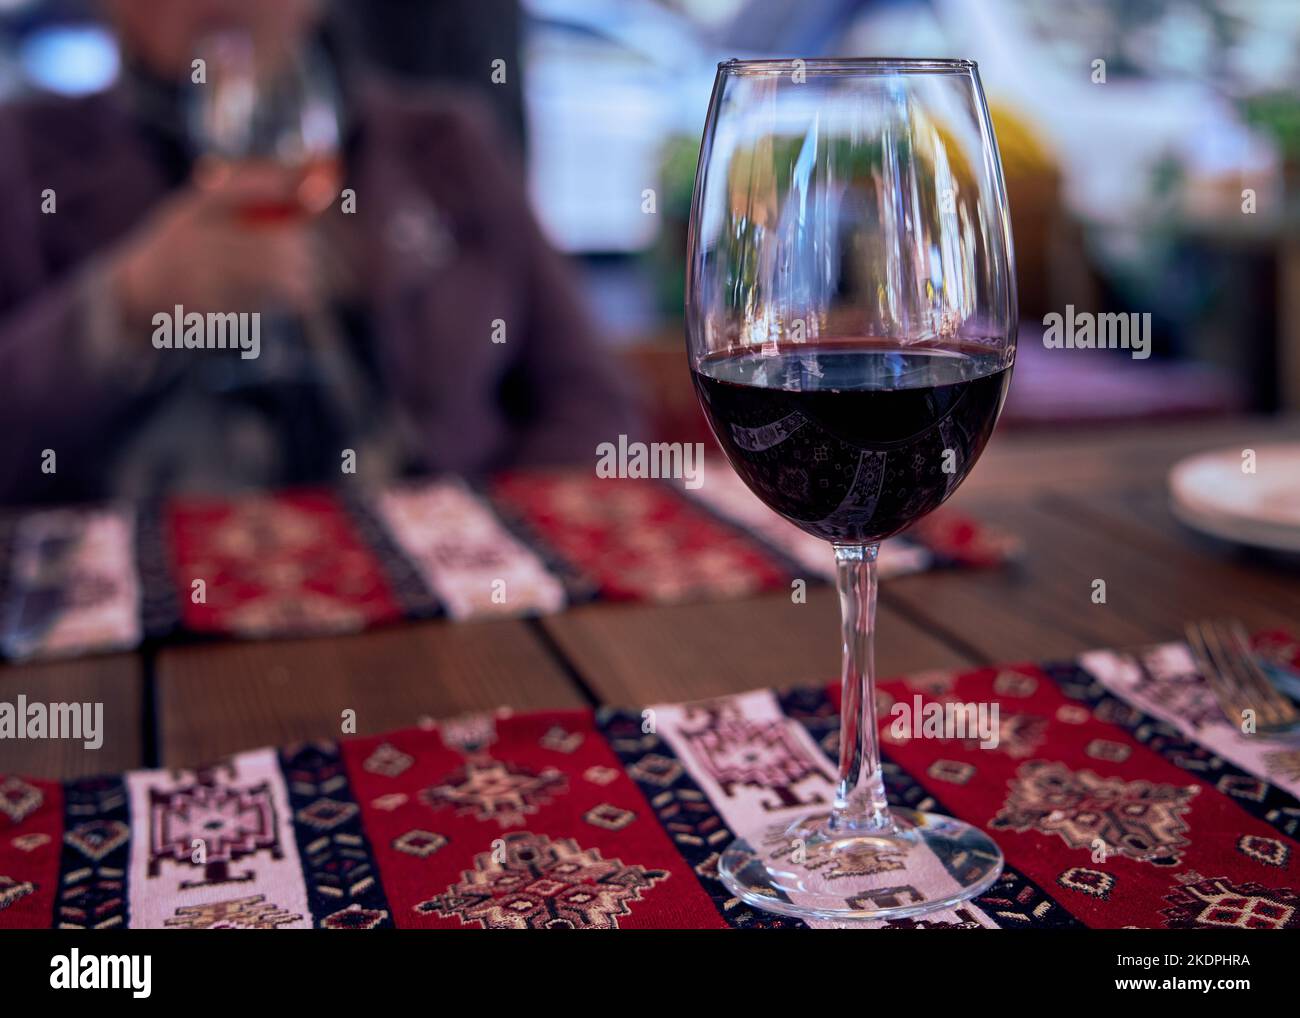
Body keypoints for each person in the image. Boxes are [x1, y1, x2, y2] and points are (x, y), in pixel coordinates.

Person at [0, 0, 637, 504]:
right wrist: (123, 303)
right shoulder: (27, 158)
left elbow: (595, 401)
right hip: (144, 617)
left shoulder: (447, 145)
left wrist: (488, 538)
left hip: (434, 600)